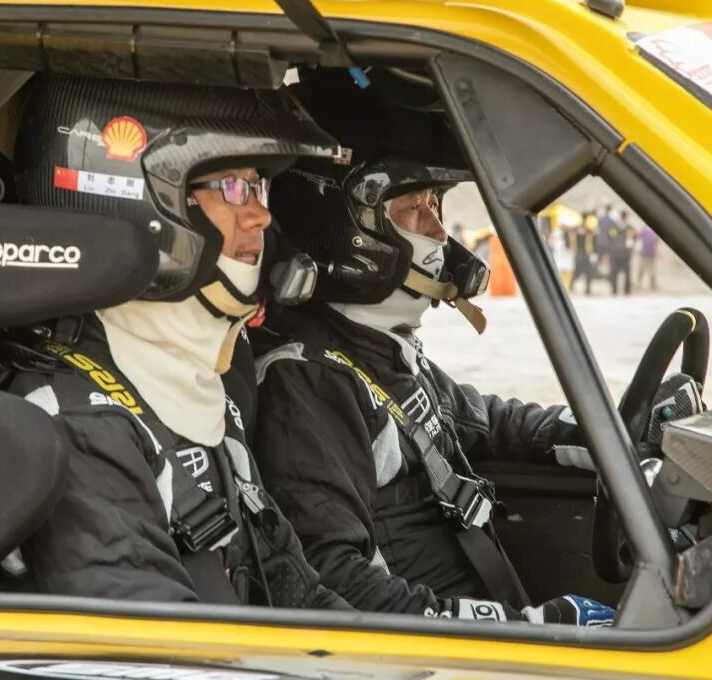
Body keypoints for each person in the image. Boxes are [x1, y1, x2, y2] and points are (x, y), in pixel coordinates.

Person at [0, 74, 350, 610]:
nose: (262, 215)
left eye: (256, 186)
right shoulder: (75, 424)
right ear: (145, 203)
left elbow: (297, 590)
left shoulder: (198, 388)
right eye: (232, 187)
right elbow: (157, 646)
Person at [251, 156, 616, 626]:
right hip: (426, 647)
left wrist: (603, 429)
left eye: (434, 206)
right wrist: (519, 629)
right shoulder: (307, 382)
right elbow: (334, 579)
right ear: (345, 231)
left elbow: (481, 420)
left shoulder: (379, 348)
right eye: (412, 209)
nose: (440, 233)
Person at [608, 209, 636, 296]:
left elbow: (610, 238)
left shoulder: (614, 226)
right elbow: (633, 239)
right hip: (624, 253)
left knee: (615, 272)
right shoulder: (629, 227)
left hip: (617, 253)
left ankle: (615, 290)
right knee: (625, 272)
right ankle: (625, 290)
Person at [568, 212, 597, 295]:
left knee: (582, 271)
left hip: (582, 252)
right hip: (583, 252)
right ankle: (575, 287)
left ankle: (585, 289)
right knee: (582, 271)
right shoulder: (586, 229)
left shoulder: (582, 229)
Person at [636, 224, 659, 291]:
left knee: (641, 269)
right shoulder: (654, 231)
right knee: (652, 269)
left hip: (644, 253)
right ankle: (653, 284)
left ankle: (639, 283)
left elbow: (637, 237)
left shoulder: (644, 230)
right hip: (652, 253)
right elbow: (656, 241)